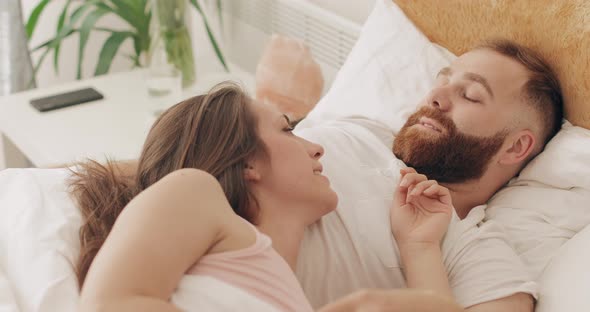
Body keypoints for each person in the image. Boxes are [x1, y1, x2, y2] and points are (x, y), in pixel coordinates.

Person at [73, 83, 463, 311]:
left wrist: (420, 244)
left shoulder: (289, 296)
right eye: (287, 130)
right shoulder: (191, 189)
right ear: (246, 163)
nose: (317, 149)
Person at [293, 39, 562, 311]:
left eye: (470, 94)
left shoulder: (474, 251)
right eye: (441, 81)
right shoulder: (357, 131)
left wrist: (420, 249)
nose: (436, 96)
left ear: (516, 147)